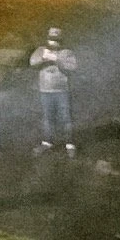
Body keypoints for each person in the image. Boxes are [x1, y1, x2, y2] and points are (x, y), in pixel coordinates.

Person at [31, 26, 77, 155]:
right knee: (47, 118)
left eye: (56, 39)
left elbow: (72, 67)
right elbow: (32, 62)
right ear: (47, 39)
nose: (53, 42)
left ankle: (70, 144)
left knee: (66, 117)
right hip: (45, 90)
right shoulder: (41, 50)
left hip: (62, 90)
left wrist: (57, 59)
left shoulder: (66, 52)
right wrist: (43, 58)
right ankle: (47, 142)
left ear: (60, 40)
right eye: (51, 39)